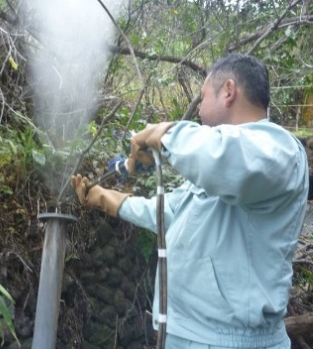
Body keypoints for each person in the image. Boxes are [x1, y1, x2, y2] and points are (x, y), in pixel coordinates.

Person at [71, 53, 309, 348]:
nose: (199, 110)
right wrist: (105, 198)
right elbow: (169, 211)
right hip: (188, 333)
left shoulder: (279, 150)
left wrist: (163, 134)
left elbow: (218, 158)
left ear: (229, 92)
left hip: (231, 341)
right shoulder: (223, 162)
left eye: (202, 97)